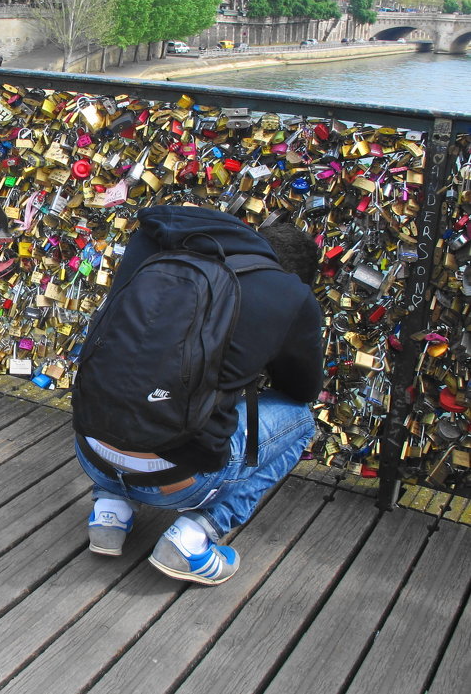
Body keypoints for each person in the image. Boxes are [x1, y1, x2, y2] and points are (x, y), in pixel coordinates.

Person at [73, 206, 322, 585]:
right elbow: (300, 389)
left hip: (91, 450)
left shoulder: (162, 249)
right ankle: (193, 538)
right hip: (178, 480)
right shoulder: (290, 295)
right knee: (301, 420)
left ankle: (110, 511)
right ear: (296, 275)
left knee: (131, 382)